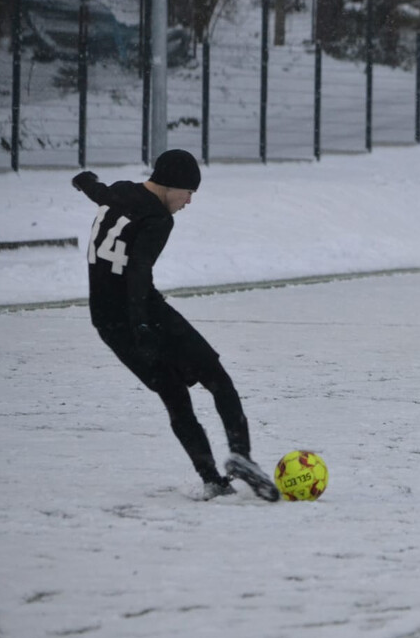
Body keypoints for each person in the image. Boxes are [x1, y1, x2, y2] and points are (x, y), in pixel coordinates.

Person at [73, 149, 279, 501]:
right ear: (172, 185)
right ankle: (241, 456)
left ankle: (212, 479)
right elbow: (139, 272)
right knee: (217, 377)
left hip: (106, 322)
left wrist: (85, 182)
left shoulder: (120, 192)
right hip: (143, 315)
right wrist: (142, 327)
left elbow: (100, 192)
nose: (188, 202)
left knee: (175, 397)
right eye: (188, 193)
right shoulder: (158, 219)